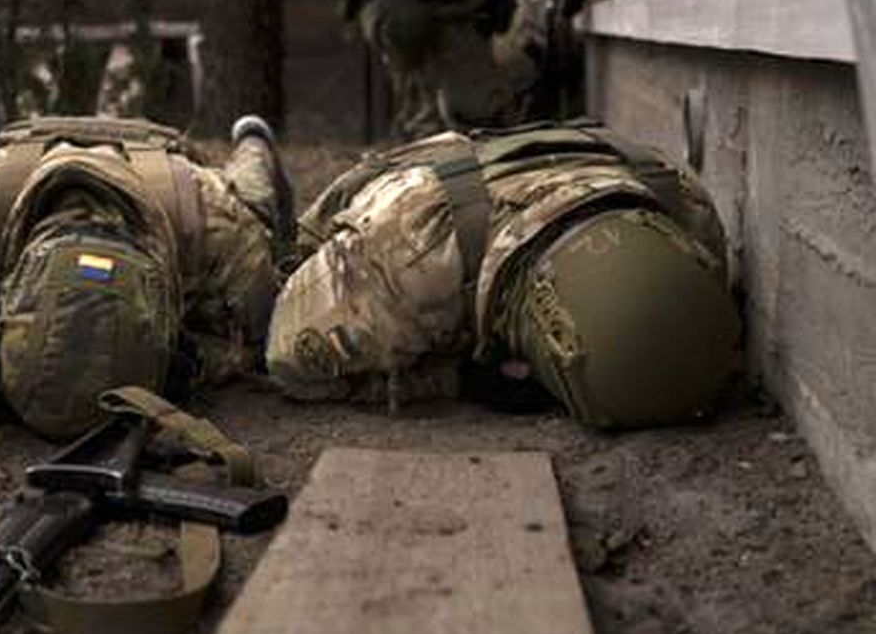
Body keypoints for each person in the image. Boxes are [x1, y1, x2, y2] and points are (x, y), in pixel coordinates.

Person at [265, 120, 743, 429]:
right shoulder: (408, 263)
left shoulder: (685, 204)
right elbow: (287, 362)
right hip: (409, 193)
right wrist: (456, 379)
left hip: (507, 173)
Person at [0, 115, 291, 439]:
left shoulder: (218, 226)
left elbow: (263, 345)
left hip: (172, 178)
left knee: (255, 195)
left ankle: (252, 138)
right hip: (32, 163)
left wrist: (196, 361)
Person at [335, 0, 580, 137]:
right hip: (402, 2)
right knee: (407, 25)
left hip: (460, 7)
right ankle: (420, 127)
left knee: (482, 113)